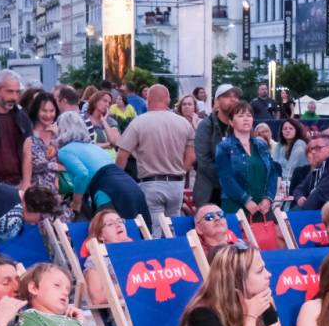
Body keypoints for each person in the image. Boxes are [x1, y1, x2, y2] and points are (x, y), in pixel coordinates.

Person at [115, 84, 194, 230]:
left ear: (148, 100)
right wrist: (182, 172)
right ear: (168, 100)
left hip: (151, 183)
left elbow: (122, 154)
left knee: (155, 229)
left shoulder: (138, 122)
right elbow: (191, 155)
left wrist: (118, 180)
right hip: (176, 183)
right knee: (173, 227)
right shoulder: (183, 123)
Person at [56, 112, 150, 229]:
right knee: (139, 232)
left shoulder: (64, 151)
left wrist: (76, 202)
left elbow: (82, 175)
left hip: (107, 191)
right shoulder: (93, 147)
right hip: (131, 186)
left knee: (108, 232)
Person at [215, 106, 279, 232]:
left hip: (263, 208)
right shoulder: (224, 147)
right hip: (235, 207)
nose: (246, 119)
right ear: (231, 122)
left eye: (249, 116)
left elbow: (273, 172)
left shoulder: (261, 145)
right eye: (240, 116)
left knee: (266, 242)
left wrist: (268, 198)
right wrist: (246, 200)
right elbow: (226, 178)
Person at [190, 91, 237, 209]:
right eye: (227, 96)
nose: (233, 100)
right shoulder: (206, 125)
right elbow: (204, 162)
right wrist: (229, 180)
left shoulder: (239, 126)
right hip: (211, 193)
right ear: (217, 101)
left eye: (235, 97)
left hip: (236, 194)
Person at [81, 208, 133, 308]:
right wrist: (133, 282)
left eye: (120, 221)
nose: (118, 225)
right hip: (127, 310)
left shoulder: (139, 252)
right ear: (101, 236)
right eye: (110, 224)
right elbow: (97, 298)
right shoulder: (97, 259)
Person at [290, 132, 329, 212]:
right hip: (316, 212)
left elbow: (319, 196)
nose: (313, 152)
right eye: (312, 149)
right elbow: (299, 189)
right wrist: (299, 197)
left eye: (318, 148)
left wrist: (300, 213)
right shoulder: (319, 167)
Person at [273, 117, 310, 190]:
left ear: (296, 130)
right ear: (281, 131)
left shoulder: (300, 143)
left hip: (298, 183)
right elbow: (275, 166)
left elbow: (290, 169)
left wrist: (281, 186)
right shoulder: (280, 145)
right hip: (282, 183)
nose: (288, 131)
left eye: (291, 128)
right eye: (285, 129)